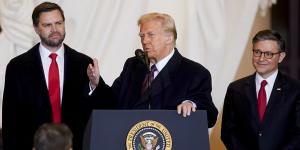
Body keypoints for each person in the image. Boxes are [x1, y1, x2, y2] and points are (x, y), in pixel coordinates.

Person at [2, 2, 113, 150]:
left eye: (58, 23)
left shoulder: (83, 63)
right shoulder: (17, 67)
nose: (55, 30)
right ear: (36, 28)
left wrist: (95, 85)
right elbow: (10, 120)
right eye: (47, 25)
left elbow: (105, 107)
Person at [88, 12, 218, 128]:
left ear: (169, 38)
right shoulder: (133, 65)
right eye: (142, 36)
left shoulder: (195, 73)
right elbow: (112, 102)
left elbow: (210, 115)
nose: (144, 41)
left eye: (150, 35)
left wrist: (191, 104)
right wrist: (96, 84)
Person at [221, 29, 300, 149]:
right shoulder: (236, 89)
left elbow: (297, 134)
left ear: (281, 57)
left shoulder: (295, 90)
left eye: (268, 54)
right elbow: (228, 132)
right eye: (257, 52)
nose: (261, 59)